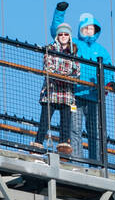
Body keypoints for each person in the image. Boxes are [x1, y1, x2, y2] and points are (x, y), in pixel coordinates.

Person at [51, 1, 115, 164]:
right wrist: (59, 12)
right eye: (85, 28)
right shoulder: (75, 44)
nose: (88, 31)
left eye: (91, 28)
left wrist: (110, 83)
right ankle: (77, 162)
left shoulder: (101, 51)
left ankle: (98, 163)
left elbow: (107, 69)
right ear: (80, 30)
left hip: (95, 96)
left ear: (96, 31)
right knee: (74, 129)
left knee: (96, 132)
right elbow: (58, 33)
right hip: (76, 93)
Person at [29, 22, 79, 157]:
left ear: (69, 36)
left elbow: (76, 71)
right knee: (45, 120)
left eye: (66, 34)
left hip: (66, 94)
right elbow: (48, 67)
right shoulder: (50, 48)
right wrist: (64, 76)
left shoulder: (74, 52)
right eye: (61, 34)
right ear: (57, 36)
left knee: (65, 121)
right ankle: (38, 144)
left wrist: (60, 75)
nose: (63, 36)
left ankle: (63, 147)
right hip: (51, 91)